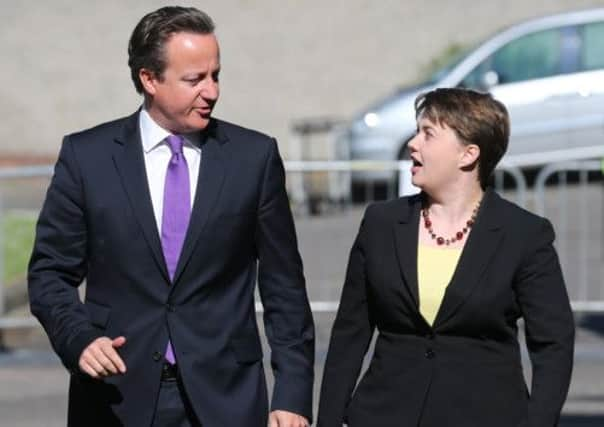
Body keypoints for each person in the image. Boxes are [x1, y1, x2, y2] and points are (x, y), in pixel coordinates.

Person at [28, 6, 314, 427]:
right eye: (194, 79)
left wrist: (292, 395)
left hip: (226, 397)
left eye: (215, 75)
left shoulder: (253, 158)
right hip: (117, 395)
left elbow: (284, 287)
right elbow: (49, 274)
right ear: (149, 79)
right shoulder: (86, 158)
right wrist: (80, 339)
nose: (212, 91)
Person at [317, 88, 574, 427]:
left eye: (428, 133)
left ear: (468, 155)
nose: (412, 143)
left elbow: (554, 344)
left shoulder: (524, 235)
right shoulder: (381, 224)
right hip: (384, 413)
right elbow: (349, 335)